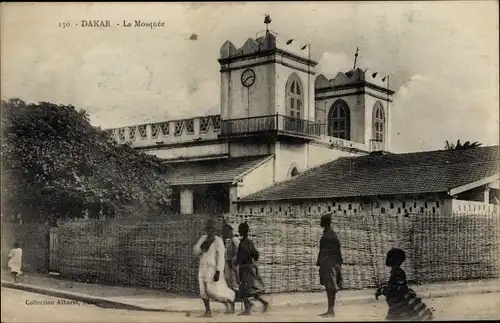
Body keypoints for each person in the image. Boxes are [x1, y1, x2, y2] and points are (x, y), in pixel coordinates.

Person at [375, 248, 434, 321]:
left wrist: (385, 290)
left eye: (389, 257)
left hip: (400, 301)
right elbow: (393, 286)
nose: (387, 259)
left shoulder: (399, 272)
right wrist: (383, 290)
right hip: (398, 300)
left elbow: (399, 288)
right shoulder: (395, 271)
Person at [193, 219, 235, 317]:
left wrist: (218, 271)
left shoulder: (218, 240)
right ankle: (208, 311)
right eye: (208, 229)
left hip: (213, 269)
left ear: (215, 230)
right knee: (203, 290)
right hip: (203, 267)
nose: (210, 231)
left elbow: (221, 257)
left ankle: (230, 299)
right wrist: (203, 246)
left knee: (215, 291)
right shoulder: (203, 238)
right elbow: (196, 251)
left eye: (212, 229)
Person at [235, 221, 269, 315]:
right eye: (239, 231)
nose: (240, 232)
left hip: (248, 269)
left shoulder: (248, 242)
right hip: (243, 268)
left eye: (241, 231)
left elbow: (256, 254)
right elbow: (239, 257)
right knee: (246, 290)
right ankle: (262, 303)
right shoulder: (242, 243)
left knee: (247, 290)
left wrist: (250, 260)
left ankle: (248, 308)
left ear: (245, 232)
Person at [316, 214, 343, 317]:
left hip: (330, 263)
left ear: (325, 222)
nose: (320, 222)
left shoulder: (329, 236)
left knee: (331, 287)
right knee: (329, 287)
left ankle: (331, 311)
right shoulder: (329, 234)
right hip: (330, 263)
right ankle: (330, 310)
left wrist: (324, 263)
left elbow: (328, 251)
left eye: (321, 220)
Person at [222, 222, 240, 299]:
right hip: (229, 264)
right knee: (230, 280)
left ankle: (238, 297)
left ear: (230, 231)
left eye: (226, 232)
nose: (225, 234)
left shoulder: (235, 240)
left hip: (233, 264)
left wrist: (233, 261)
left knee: (234, 281)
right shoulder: (230, 241)